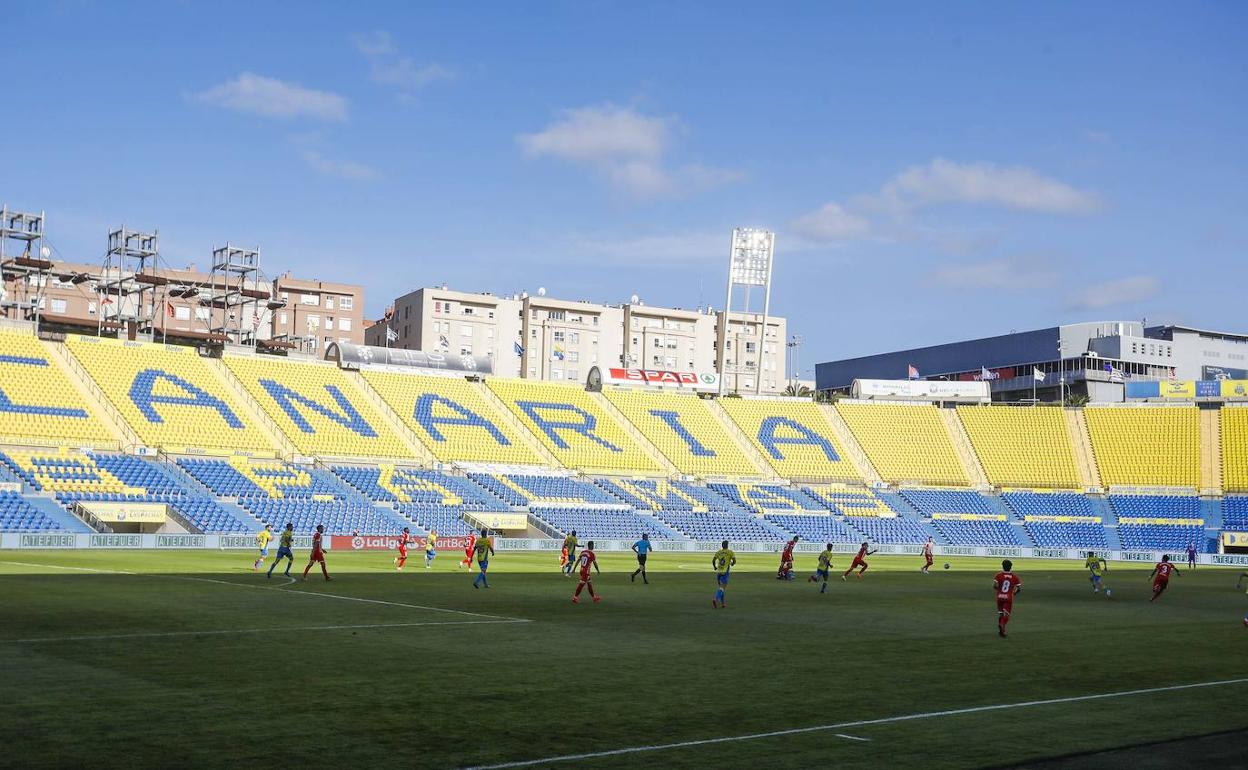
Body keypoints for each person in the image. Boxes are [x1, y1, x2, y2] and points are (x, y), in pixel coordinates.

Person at [993, 559, 1022, 638]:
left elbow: (995, 585)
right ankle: (1002, 625)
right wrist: (1013, 593)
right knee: (1007, 615)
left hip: (999, 597)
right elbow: (1019, 589)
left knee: (1001, 614)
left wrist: (999, 591)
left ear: (1002, 566)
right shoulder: (1015, 577)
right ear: (1011, 567)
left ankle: (1001, 631)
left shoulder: (998, 575)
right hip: (1008, 597)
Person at [711, 540, 736, 609]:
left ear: (722, 546)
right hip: (725, 572)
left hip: (718, 572)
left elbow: (713, 560)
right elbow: (734, 560)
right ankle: (716, 599)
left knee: (721, 588)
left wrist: (715, 567)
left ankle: (723, 603)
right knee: (722, 587)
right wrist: (732, 564)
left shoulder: (719, 552)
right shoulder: (730, 552)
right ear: (727, 545)